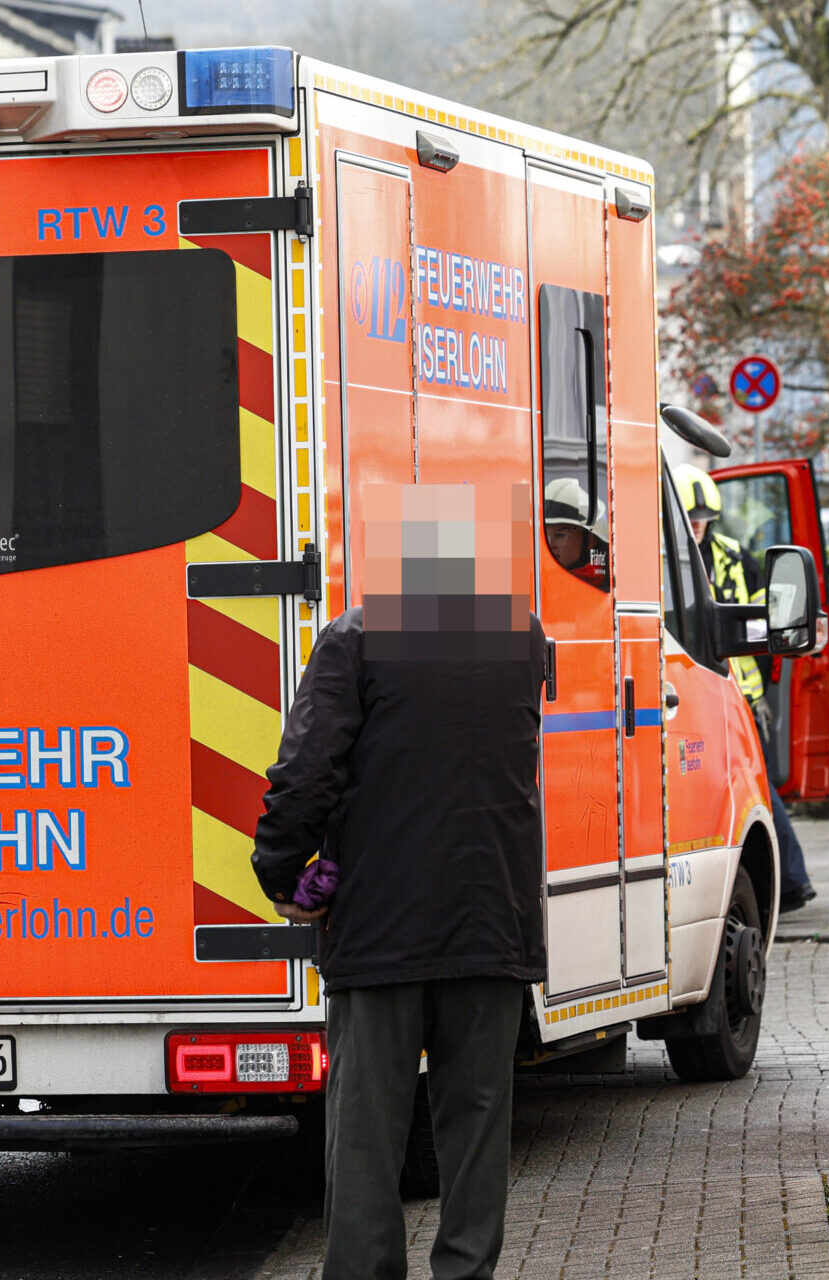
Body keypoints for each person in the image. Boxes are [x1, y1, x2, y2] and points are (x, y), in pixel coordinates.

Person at [249, 483, 551, 1280]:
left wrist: (281, 871)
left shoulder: (357, 639)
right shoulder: (523, 638)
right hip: (495, 922)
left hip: (382, 923)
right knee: (478, 1122)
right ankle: (466, 1270)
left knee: (366, 1128)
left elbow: (306, 772)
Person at [674, 462, 814, 914]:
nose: (697, 527)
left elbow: (774, 617)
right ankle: (782, 883)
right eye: (689, 519)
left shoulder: (736, 557)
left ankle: (789, 883)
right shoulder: (658, 556)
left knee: (756, 792)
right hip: (690, 692)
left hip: (740, 696)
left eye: (703, 520)